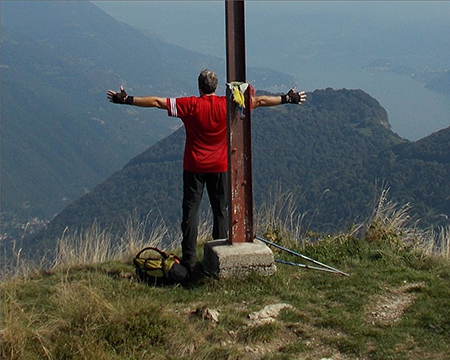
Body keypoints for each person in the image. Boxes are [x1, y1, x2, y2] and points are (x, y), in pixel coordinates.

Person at [107, 69, 306, 273]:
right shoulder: (227, 105)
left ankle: (189, 259)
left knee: (190, 213)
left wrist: (127, 99)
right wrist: (287, 98)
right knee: (220, 211)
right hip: (219, 167)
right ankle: (218, 256)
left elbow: (157, 102)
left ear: (199, 86)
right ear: (215, 86)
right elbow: (261, 101)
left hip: (193, 167)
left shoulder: (190, 105)